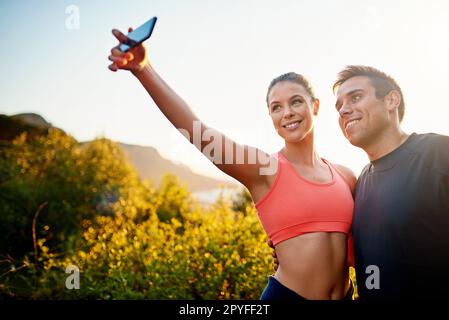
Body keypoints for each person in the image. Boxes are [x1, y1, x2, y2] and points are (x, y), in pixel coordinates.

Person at [108, 27, 356, 300]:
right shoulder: (264, 170)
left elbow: (364, 246)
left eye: (296, 102)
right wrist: (144, 69)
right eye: (276, 107)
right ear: (271, 116)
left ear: (316, 106)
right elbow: (197, 131)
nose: (287, 113)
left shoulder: (345, 176)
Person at [272, 65, 449, 300]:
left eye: (355, 97)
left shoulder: (438, 154)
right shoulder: (361, 181)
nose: (344, 110)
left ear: (391, 100)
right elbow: (369, 255)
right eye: (339, 106)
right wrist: (297, 249)